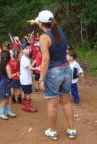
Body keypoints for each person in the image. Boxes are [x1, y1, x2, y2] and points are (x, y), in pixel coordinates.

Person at [28, 10, 76, 141]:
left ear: (42, 23)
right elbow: (46, 24)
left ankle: (52, 131)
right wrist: (36, 21)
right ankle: (72, 130)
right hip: (67, 70)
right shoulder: (58, 30)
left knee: (52, 104)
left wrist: (41, 78)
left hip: (54, 72)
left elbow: (45, 59)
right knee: (66, 102)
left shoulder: (44, 38)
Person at [0, 51, 17, 120]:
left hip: (3, 84)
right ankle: (1, 113)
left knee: (8, 98)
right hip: (5, 84)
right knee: (5, 100)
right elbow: (10, 76)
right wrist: (15, 74)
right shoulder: (7, 66)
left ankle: (7, 111)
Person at [20, 43, 38, 113]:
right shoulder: (24, 58)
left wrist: (33, 63)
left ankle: (24, 105)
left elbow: (29, 66)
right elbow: (29, 67)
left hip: (26, 79)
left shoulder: (26, 58)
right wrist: (37, 68)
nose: (29, 49)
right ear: (22, 50)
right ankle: (28, 106)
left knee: (26, 92)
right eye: (26, 48)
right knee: (28, 93)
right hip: (26, 79)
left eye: (29, 48)